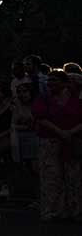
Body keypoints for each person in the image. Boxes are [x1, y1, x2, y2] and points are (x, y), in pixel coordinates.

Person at [31, 69, 82, 221]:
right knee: (51, 176)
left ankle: (75, 209)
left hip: (72, 141)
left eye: (55, 80)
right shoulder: (44, 99)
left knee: (74, 177)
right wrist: (60, 132)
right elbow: (41, 118)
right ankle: (53, 210)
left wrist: (71, 132)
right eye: (49, 80)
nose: (50, 83)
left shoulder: (76, 99)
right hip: (50, 141)